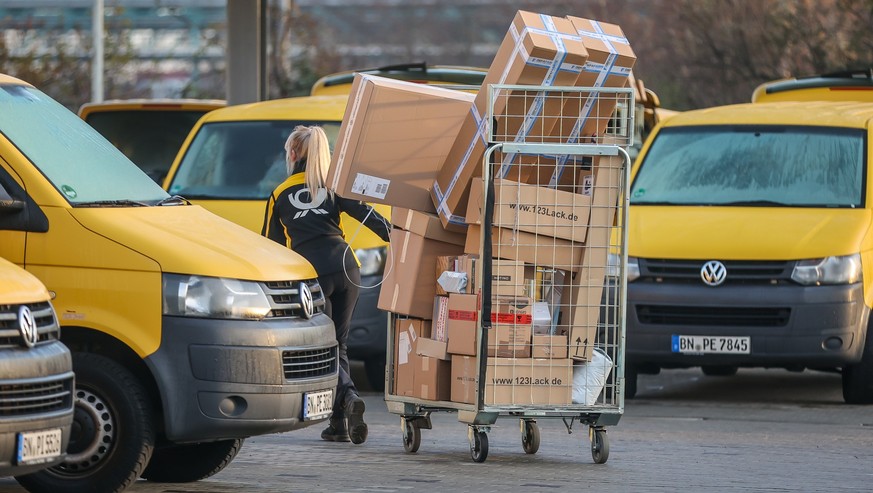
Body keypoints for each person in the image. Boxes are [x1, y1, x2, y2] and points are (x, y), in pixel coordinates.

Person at [262, 125, 391, 445]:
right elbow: (372, 218)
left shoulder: (280, 193)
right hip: (348, 269)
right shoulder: (334, 186)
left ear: (292, 154)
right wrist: (407, 239)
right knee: (340, 344)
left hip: (312, 274)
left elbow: (270, 246)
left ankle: (348, 397)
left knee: (325, 347)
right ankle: (339, 424)